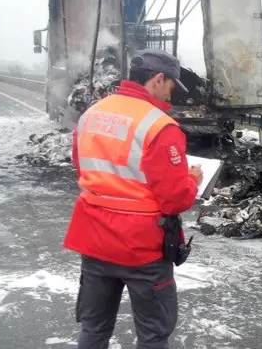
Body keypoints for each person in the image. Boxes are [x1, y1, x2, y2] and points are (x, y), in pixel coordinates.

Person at [63, 48, 203, 349]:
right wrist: (193, 178)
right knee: (153, 334)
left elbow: (83, 166)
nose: (171, 96)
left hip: (94, 239)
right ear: (158, 78)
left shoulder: (91, 114)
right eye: (170, 86)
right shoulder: (159, 126)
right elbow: (175, 200)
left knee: (94, 328)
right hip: (143, 249)